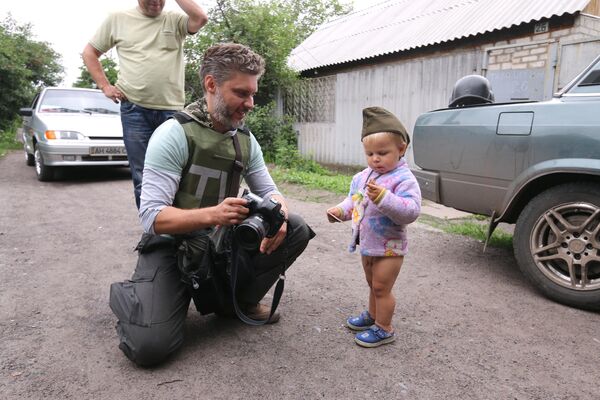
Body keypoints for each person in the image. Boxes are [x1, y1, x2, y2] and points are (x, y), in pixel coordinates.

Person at [109, 43, 315, 367]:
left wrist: (281, 215)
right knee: (149, 348)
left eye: (253, 94)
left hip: (220, 245)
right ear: (211, 85)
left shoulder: (245, 140)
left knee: (297, 228)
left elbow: (271, 192)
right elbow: (151, 217)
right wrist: (214, 214)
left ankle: (237, 304)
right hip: (174, 246)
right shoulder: (173, 134)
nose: (250, 104)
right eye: (240, 93)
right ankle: (138, 294)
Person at [82, 0, 208, 209]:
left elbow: (200, 18)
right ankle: (155, 235)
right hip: (135, 110)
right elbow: (89, 52)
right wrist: (105, 86)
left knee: (180, 174)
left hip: (172, 111)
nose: (156, 3)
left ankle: (180, 227)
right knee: (144, 176)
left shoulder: (174, 19)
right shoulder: (117, 19)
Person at [326, 106, 421, 348]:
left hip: (390, 247)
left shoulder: (404, 179)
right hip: (367, 244)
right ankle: (373, 314)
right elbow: (354, 201)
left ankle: (384, 328)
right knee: (373, 285)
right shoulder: (362, 177)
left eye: (382, 152)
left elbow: (411, 211)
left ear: (401, 149)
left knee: (382, 287)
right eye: (369, 153)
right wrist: (339, 211)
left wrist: (384, 198)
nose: (375, 159)